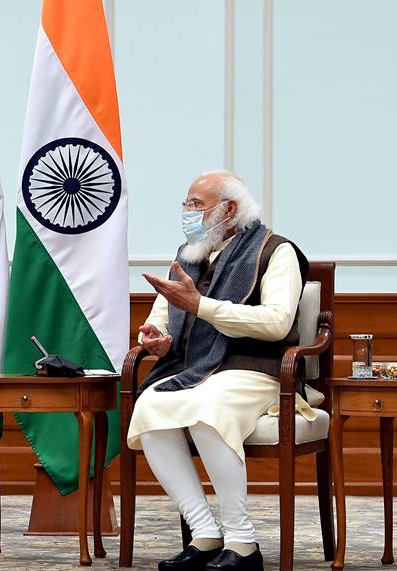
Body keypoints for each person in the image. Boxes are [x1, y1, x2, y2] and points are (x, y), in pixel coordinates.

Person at [126, 171, 310, 571]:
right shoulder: (189, 253)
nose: (188, 212)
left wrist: (202, 306)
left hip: (256, 368)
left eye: (196, 204)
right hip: (195, 367)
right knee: (150, 407)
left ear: (228, 210)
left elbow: (277, 322)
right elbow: (162, 318)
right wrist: (155, 338)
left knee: (209, 407)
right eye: (186, 204)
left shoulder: (276, 251)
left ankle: (242, 543)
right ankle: (204, 534)